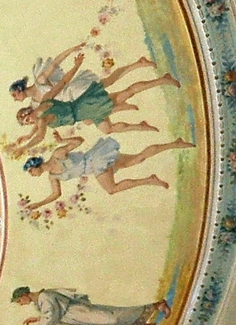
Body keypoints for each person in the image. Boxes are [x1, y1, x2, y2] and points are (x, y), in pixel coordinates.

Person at [14, 53, 179, 150]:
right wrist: (28, 136)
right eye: (28, 123)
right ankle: (141, 125)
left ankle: (163, 79)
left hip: (86, 105)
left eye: (28, 119)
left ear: (28, 112)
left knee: (125, 93)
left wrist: (24, 147)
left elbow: (40, 134)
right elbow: (38, 128)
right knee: (107, 129)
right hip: (84, 112)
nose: (31, 122)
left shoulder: (43, 116)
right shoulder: (43, 105)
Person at [22, 133, 195, 210]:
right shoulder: (53, 177)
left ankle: (149, 180)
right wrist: (37, 204)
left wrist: (62, 140)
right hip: (97, 164)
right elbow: (55, 194)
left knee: (112, 189)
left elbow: (79, 141)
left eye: (31, 171)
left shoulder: (57, 155)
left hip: (95, 160)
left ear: (35, 166)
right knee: (137, 158)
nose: (32, 175)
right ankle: (174, 144)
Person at [12, 286, 171, 325]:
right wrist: (37, 318)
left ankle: (157, 305)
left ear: (24, 295)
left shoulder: (44, 297)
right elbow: (52, 313)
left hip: (79, 313)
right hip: (75, 319)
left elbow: (51, 314)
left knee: (113, 317)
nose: (20, 304)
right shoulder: (39, 301)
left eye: (19, 301)